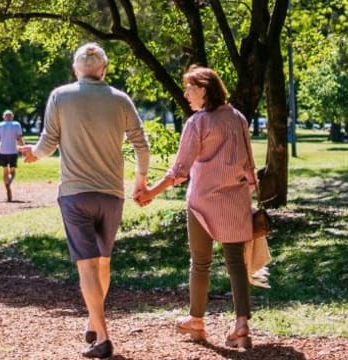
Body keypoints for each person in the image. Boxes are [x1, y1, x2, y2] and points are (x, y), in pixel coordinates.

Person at [18, 43, 154, 358]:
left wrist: (34, 155)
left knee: (87, 267)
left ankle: (103, 337)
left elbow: (48, 141)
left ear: (75, 69)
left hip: (75, 194)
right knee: (103, 262)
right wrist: (141, 181)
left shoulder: (60, 96)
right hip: (111, 194)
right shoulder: (121, 100)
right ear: (103, 69)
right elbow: (141, 145)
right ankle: (94, 320)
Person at [134, 65, 262, 351]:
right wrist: (243, 190)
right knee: (236, 264)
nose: (186, 93)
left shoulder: (198, 123)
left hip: (202, 202)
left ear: (204, 89)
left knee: (200, 262)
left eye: (190, 88)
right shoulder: (238, 118)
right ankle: (242, 325)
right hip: (235, 201)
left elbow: (179, 170)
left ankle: (197, 321)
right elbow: (250, 168)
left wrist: (150, 192)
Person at [0, 110, 26, 202]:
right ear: (12, 116)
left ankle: (7, 189)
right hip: (13, 151)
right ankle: (9, 183)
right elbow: (19, 138)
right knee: (13, 171)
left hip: (2, 151)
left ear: (4, 117)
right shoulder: (16, 125)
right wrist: (23, 149)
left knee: (5, 170)